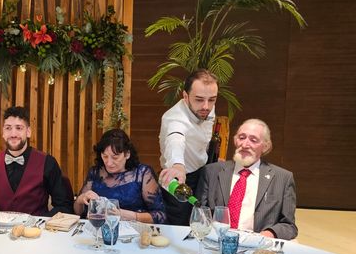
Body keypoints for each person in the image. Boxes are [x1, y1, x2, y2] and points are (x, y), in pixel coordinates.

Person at [196, 119, 297, 240]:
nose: (245, 145)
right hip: (215, 241)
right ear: (235, 140)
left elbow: (289, 226)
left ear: (265, 146)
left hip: (256, 245)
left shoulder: (283, 178)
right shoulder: (211, 172)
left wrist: (267, 235)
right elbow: (199, 214)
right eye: (241, 137)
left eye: (253, 140)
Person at [0, 106, 73, 216]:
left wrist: (41, 223)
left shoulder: (47, 162)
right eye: (8, 128)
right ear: (3, 133)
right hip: (0, 231)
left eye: (19, 128)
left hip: (37, 231)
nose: (13, 134)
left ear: (28, 132)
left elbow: (64, 206)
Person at [158, 69, 218, 225]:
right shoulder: (175, 119)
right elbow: (175, 139)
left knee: (203, 223)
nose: (206, 106)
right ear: (185, 96)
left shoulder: (205, 107)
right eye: (199, 99)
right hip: (180, 179)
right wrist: (177, 166)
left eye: (212, 100)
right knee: (181, 228)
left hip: (203, 174)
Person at [74, 129, 166, 224]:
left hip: (135, 232)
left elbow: (161, 216)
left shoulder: (142, 173)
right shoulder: (95, 172)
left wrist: (130, 216)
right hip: (100, 231)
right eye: (105, 156)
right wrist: (81, 199)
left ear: (127, 154)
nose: (109, 163)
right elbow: (78, 213)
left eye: (115, 157)